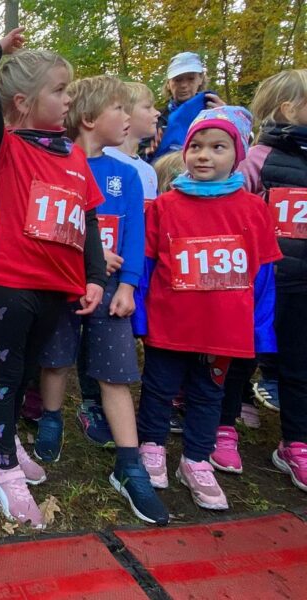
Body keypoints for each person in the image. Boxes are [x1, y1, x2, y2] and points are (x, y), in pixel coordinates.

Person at [0, 27, 106, 529]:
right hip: (10, 283)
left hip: (59, 288)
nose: (69, 98)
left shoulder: (72, 154)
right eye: (60, 90)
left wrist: (94, 277)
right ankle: (3, 468)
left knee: (25, 371)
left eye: (69, 89)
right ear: (25, 102)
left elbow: (88, 218)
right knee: (6, 374)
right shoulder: (1, 148)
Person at [34, 76, 167, 525]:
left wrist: (128, 285)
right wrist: (89, 253)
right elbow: (44, 227)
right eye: (119, 109)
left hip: (110, 292)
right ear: (89, 119)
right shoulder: (53, 166)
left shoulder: (127, 175)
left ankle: (129, 465)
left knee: (116, 372)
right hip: (62, 284)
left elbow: (134, 238)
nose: (129, 118)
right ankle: (51, 419)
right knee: (55, 360)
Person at [135, 106, 281, 511]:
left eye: (217, 147)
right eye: (196, 146)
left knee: (207, 396)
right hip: (170, 325)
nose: (204, 155)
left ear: (237, 153)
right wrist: (142, 319)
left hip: (223, 331)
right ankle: (151, 447)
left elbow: (264, 275)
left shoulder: (254, 210)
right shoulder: (164, 207)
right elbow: (146, 266)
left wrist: (260, 331)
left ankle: (196, 460)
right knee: (159, 389)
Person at [236, 69, 307, 491]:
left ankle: (296, 443)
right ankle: (227, 420)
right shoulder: (257, 161)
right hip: (260, 283)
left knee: (299, 365)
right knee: (244, 350)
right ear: (289, 109)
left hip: (303, 286)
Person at [152, 52, 225, 160]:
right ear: (168, 83)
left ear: (200, 79)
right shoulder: (156, 117)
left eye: (191, 79)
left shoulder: (216, 110)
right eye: (178, 80)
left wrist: (227, 116)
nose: (184, 85)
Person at [105, 82, 160, 205]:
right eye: (148, 107)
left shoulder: (149, 170)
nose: (157, 113)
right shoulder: (102, 158)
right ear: (125, 112)